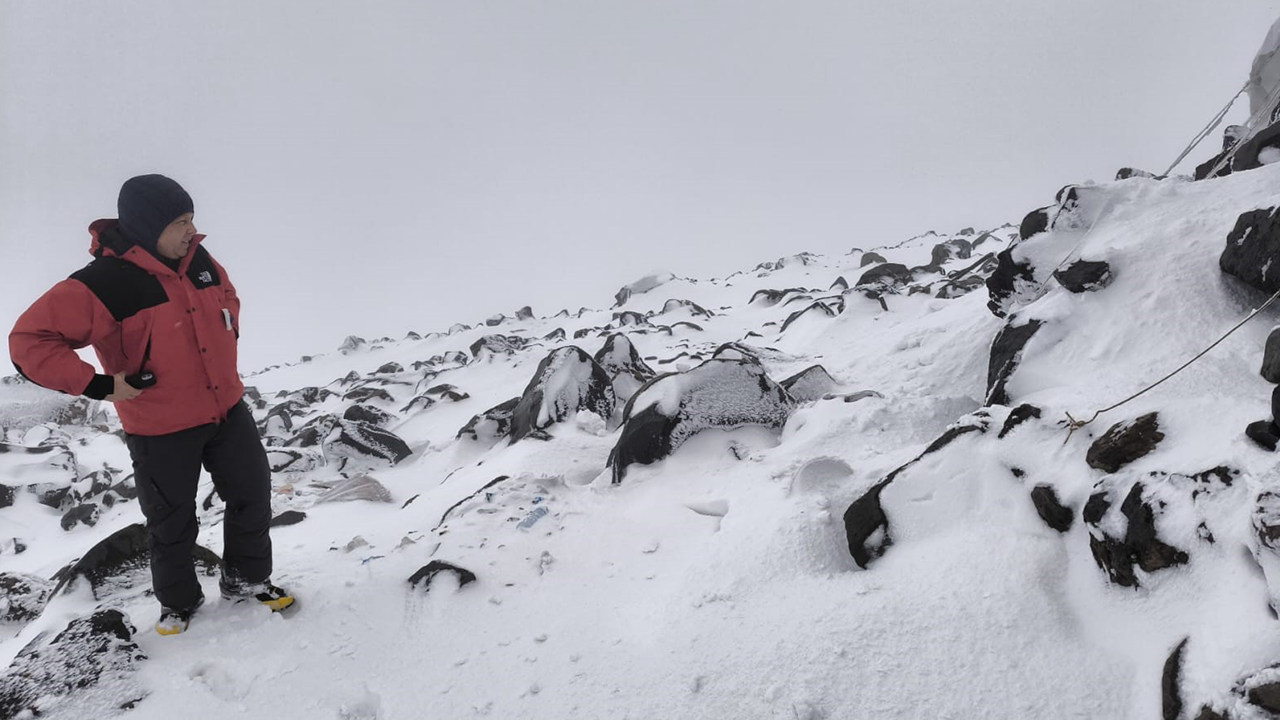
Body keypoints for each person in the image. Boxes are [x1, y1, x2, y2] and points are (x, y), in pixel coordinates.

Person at [8, 174, 294, 635]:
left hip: (226, 410)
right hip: (160, 426)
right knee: (172, 522)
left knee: (252, 496)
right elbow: (29, 342)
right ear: (147, 225)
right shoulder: (102, 283)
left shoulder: (199, 260)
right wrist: (98, 385)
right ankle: (178, 604)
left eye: (191, 219)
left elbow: (227, 297)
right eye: (180, 222)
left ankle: (247, 580)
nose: (192, 231)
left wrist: (226, 333)